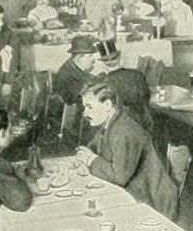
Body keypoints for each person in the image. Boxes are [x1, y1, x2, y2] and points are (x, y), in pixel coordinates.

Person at [75, 83, 178, 219]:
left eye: (89, 107)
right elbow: (93, 148)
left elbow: (119, 177)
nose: (85, 113)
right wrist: (86, 157)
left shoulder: (124, 131)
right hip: (131, 193)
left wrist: (90, 159)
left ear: (107, 105)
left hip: (152, 203)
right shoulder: (109, 123)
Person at [92, 39, 153, 132]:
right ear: (119, 58)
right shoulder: (137, 74)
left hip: (119, 126)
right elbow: (147, 97)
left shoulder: (104, 81)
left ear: (104, 63)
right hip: (144, 122)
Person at [53, 36, 101, 105]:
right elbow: (81, 99)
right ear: (79, 57)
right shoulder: (68, 76)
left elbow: (86, 78)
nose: (93, 60)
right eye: (90, 56)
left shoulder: (72, 66)